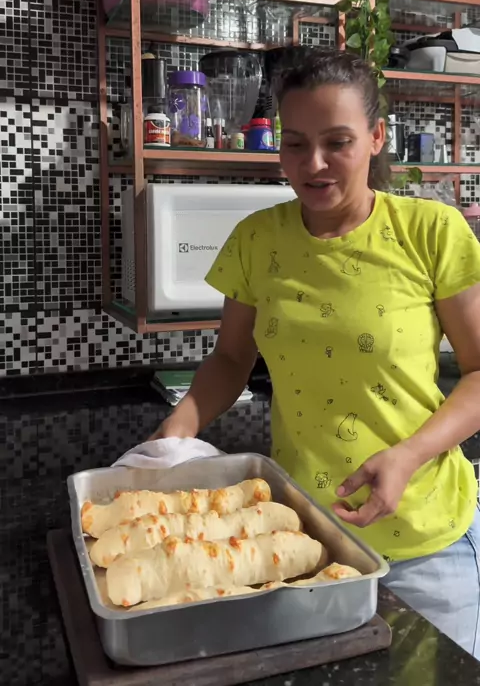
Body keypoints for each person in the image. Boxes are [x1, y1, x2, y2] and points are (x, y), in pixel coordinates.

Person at [154, 50, 480, 658]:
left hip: (427, 541)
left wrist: (408, 455)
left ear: (376, 138)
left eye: (338, 142)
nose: (314, 164)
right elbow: (230, 360)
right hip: (305, 530)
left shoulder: (432, 231)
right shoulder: (257, 240)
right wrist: (180, 428)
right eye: (296, 144)